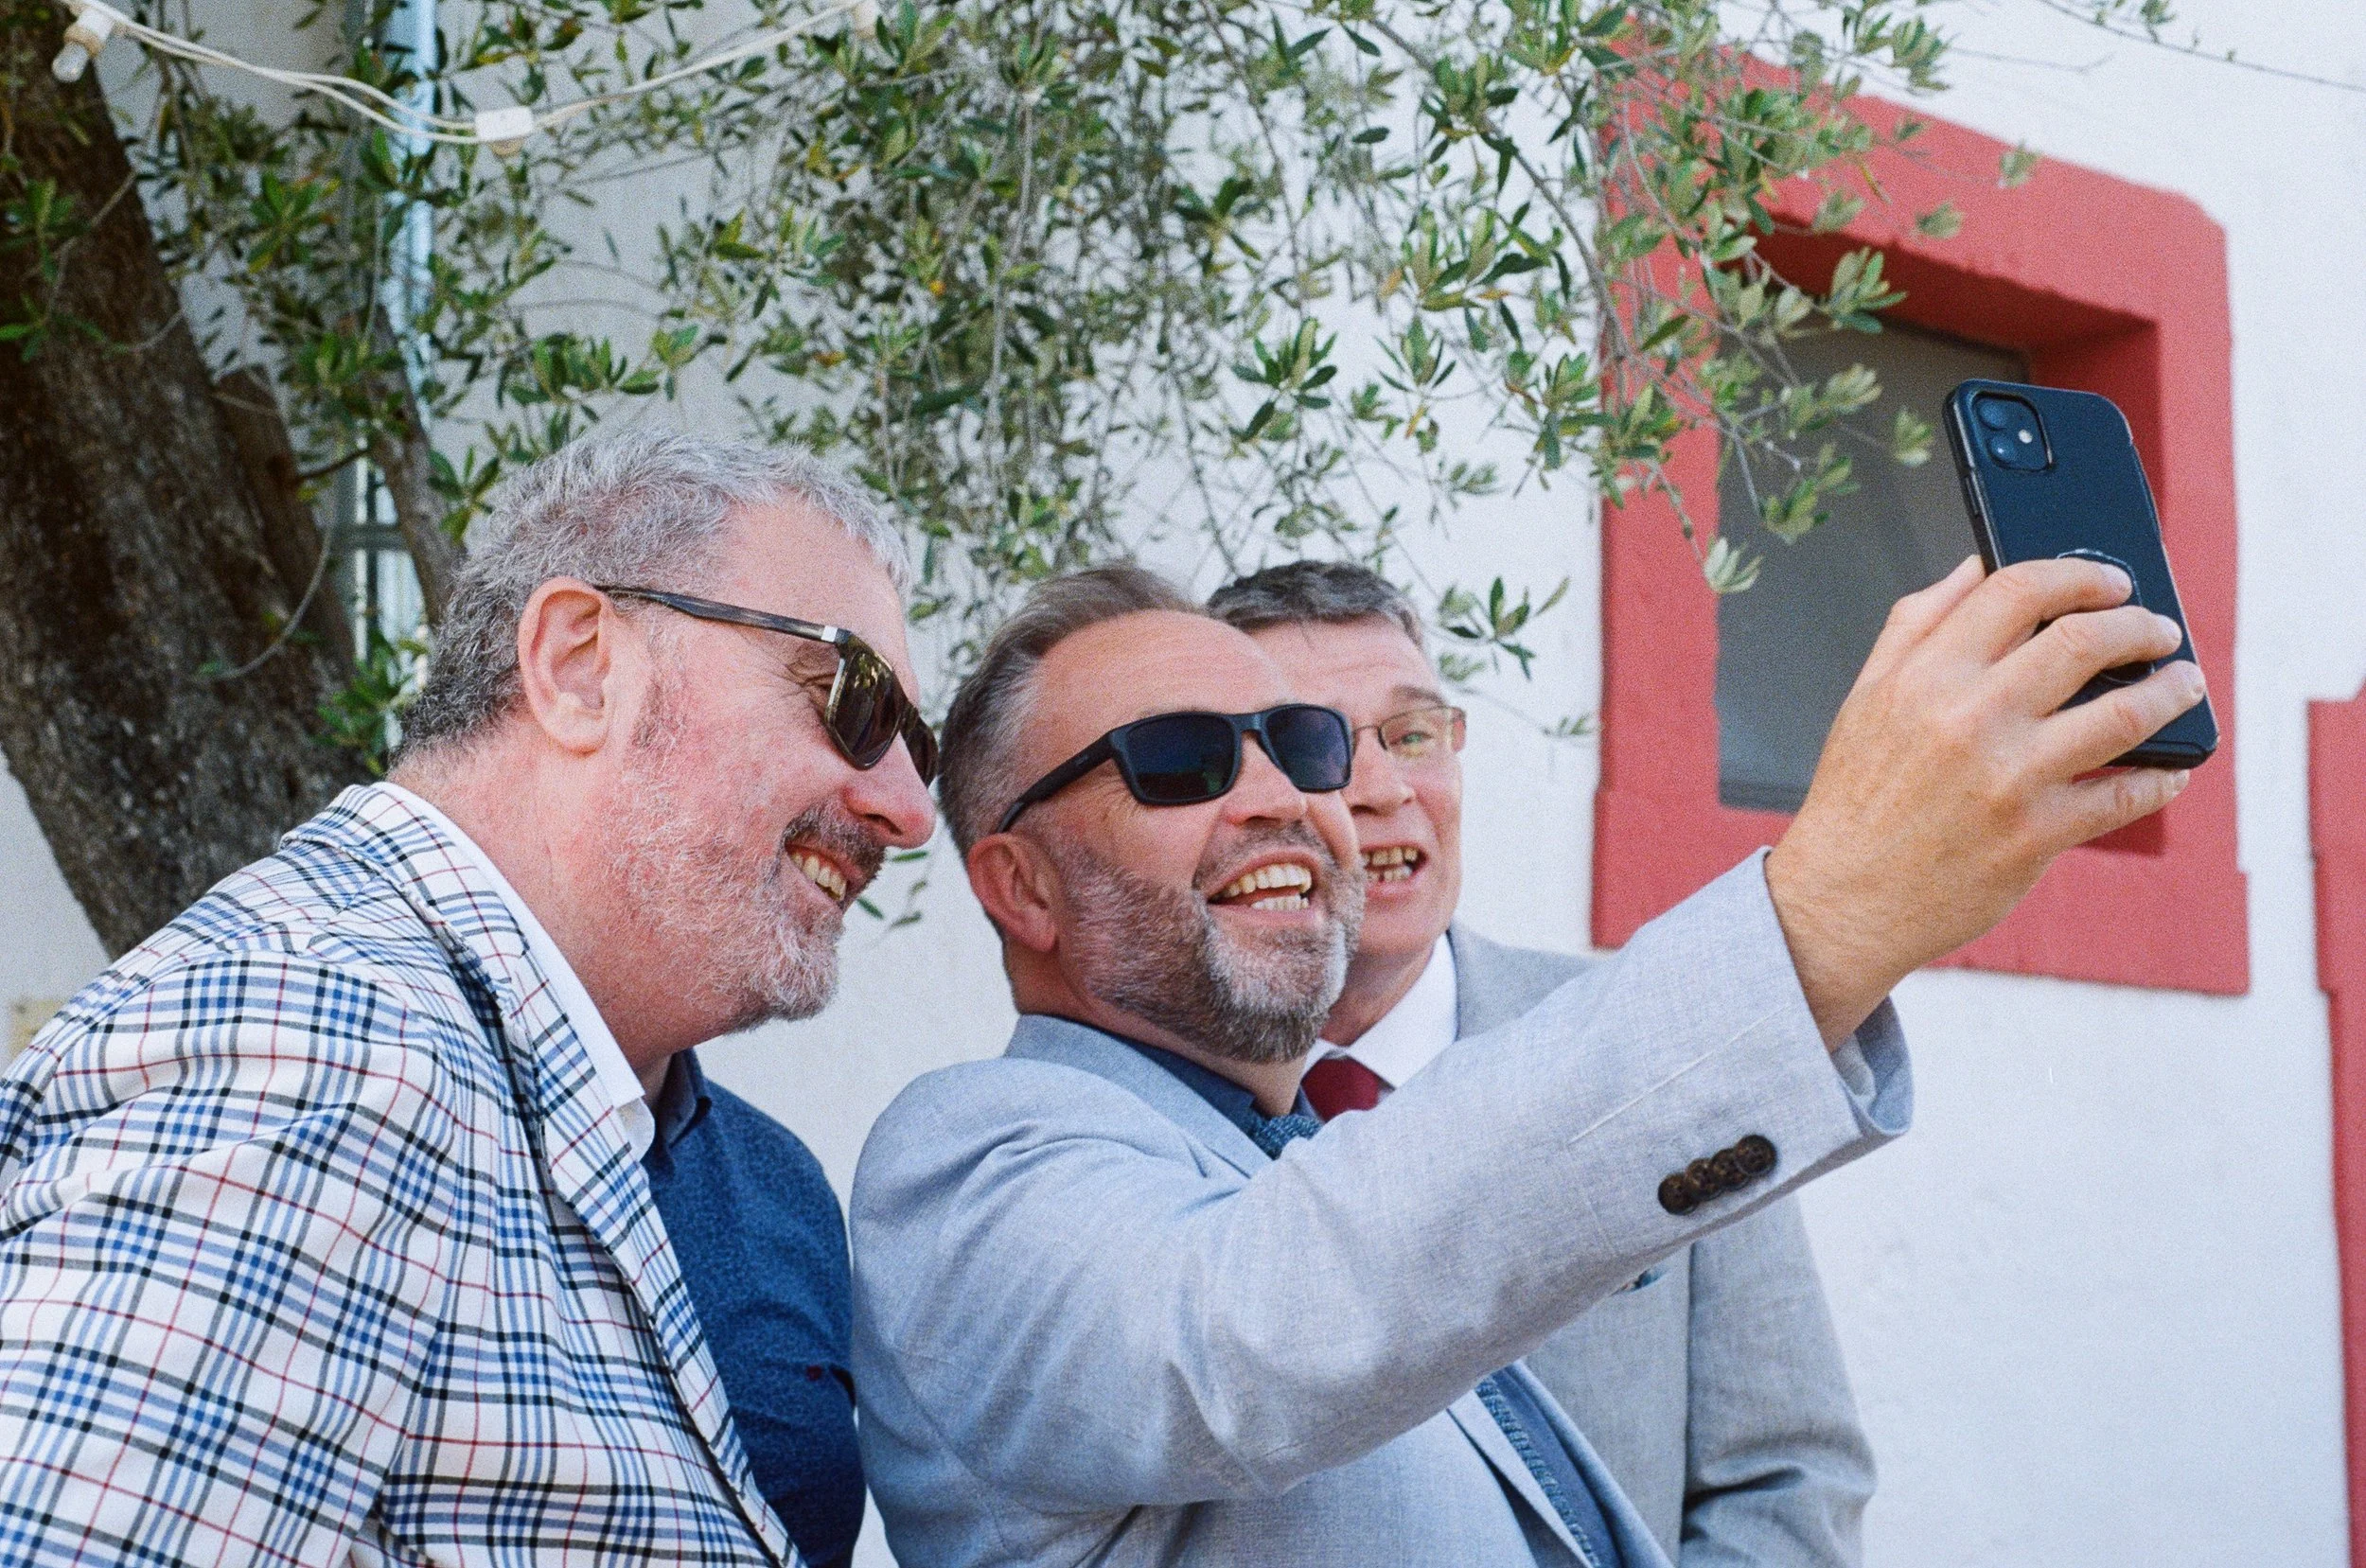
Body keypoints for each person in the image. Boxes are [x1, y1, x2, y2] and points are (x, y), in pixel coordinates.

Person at [849, 554, 2203, 1567]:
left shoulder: (1315, 1148)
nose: (1298, 796)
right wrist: (1825, 913)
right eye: (1182, 761)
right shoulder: (968, 1165)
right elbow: (1255, 1316)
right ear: (1019, 886)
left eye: (1299, 745)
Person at [0, 431, 934, 1566]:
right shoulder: (324, 1041)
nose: (906, 806)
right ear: (580, 664)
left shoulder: (496, 1067)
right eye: (854, 697)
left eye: (918, 745)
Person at [1210, 558, 1874, 1564]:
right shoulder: (1151, 1111)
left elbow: (1787, 1482)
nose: (1388, 788)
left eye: (1415, 732)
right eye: (1320, 744)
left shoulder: (1661, 1050)